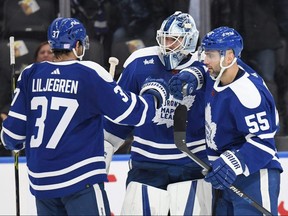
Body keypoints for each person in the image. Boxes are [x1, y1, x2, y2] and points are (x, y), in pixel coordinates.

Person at [0, 17, 169, 215]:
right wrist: (154, 95)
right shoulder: (89, 72)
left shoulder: (30, 73)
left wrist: (16, 143)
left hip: (42, 184)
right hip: (80, 181)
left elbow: (10, 137)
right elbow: (130, 114)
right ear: (77, 45)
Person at [104, 11, 212, 215]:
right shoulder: (139, 61)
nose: (167, 44)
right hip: (147, 163)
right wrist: (103, 152)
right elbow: (119, 117)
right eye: (165, 38)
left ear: (189, 41)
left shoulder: (207, 64)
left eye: (174, 40)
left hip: (193, 164)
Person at [169, 26, 283, 215]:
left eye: (210, 55)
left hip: (254, 174)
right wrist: (192, 75)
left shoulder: (249, 94)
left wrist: (233, 162)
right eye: (205, 54)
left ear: (229, 57)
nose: (205, 60)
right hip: (223, 174)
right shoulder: (220, 72)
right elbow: (203, 69)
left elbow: (264, 144)